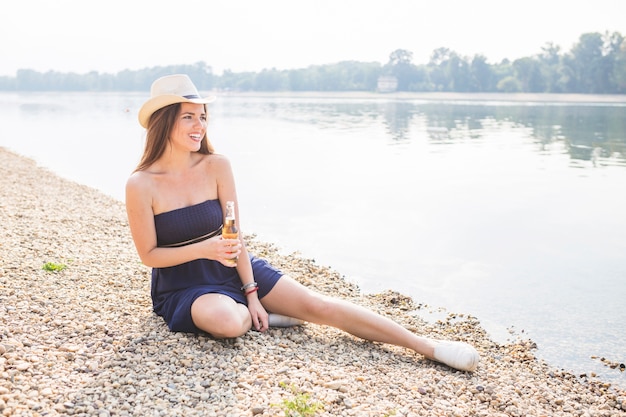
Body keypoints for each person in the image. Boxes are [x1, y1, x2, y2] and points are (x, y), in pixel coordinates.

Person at [125, 74, 480, 372]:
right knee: (227, 323)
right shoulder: (141, 184)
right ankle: (265, 315)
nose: (199, 126)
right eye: (189, 117)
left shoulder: (217, 166)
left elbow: (235, 236)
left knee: (318, 306)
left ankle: (427, 346)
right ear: (165, 120)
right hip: (184, 286)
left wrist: (251, 292)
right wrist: (206, 248)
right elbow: (150, 255)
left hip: (232, 268)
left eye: (203, 117)